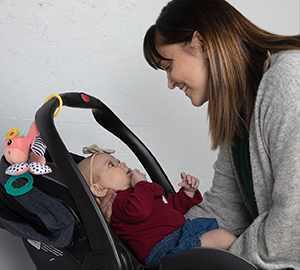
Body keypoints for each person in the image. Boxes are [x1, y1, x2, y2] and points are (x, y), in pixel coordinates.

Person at [142, 0, 300, 269]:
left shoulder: (288, 80)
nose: (170, 83)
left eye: (169, 66)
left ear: (201, 43)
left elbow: (293, 221)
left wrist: (229, 248)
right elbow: (227, 207)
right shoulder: (240, 105)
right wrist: (163, 243)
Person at [77, 144, 237, 265]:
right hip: (165, 249)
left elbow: (169, 208)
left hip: (180, 235)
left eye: (118, 161)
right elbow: (140, 211)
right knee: (222, 238)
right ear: (99, 189)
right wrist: (141, 184)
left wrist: (187, 193)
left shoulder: (139, 192)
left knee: (220, 246)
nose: (123, 164)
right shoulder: (117, 202)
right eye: (112, 165)